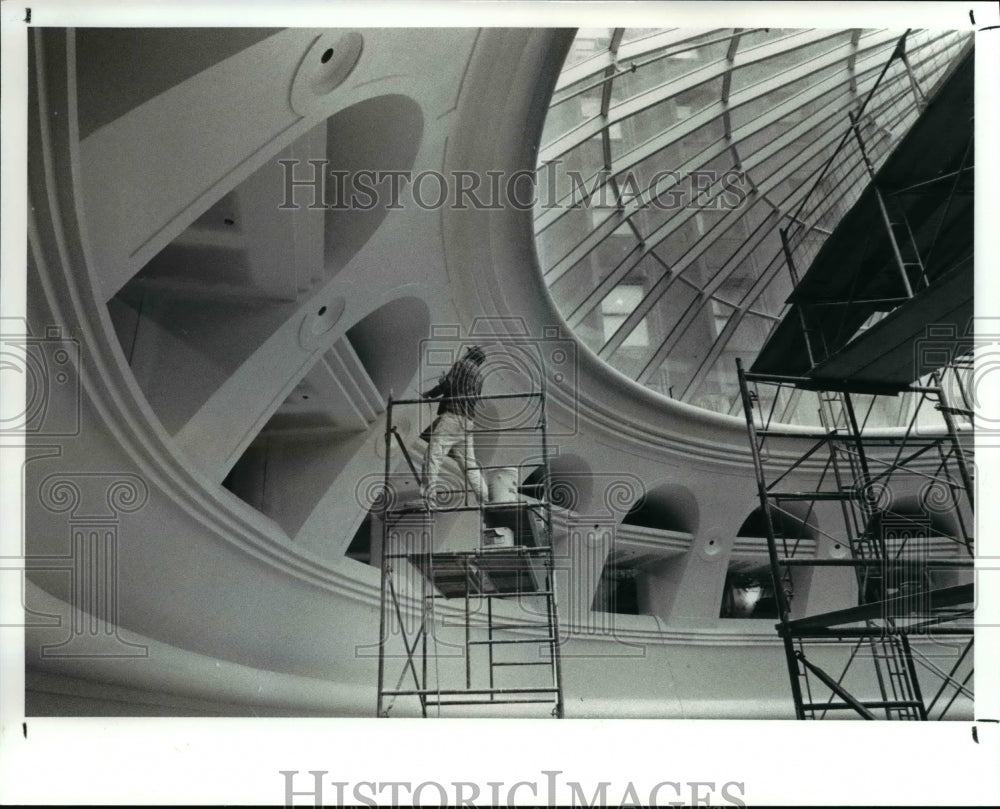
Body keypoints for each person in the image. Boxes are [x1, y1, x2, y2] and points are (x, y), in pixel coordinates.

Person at [420, 345, 489, 508]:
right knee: (470, 465)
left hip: (452, 417)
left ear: (470, 355)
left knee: (433, 456)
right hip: (467, 422)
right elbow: (470, 395)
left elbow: (448, 386)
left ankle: (429, 499)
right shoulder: (480, 377)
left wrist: (430, 394)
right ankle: (485, 498)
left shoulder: (461, 365)